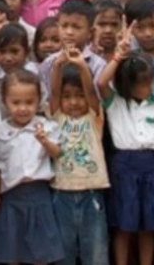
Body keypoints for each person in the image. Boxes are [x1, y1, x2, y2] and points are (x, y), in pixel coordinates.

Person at [97, 47, 154, 265]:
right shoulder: (115, 102)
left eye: (152, 82)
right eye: (144, 84)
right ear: (128, 84)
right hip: (124, 165)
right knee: (124, 224)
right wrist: (118, 56)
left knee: (147, 226)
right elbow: (101, 83)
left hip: (151, 165)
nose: (150, 88)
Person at [0, 69, 67, 265]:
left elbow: (58, 153)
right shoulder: (0, 129)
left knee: (41, 251)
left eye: (29, 102)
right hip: (11, 196)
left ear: (38, 101)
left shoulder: (45, 126)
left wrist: (45, 142)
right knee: (12, 252)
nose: (23, 108)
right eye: (16, 103)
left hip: (38, 195)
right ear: (5, 101)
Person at [48, 51, 109, 265]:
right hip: (60, 193)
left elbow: (92, 92)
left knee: (96, 253)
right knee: (63, 252)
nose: (74, 102)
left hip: (91, 193)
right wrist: (57, 66)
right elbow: (54, 92)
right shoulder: (57, 117)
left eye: (79, 95)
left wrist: (83, 67)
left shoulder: (94, 118)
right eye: (68, 96)